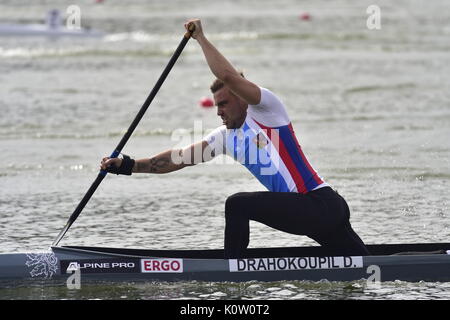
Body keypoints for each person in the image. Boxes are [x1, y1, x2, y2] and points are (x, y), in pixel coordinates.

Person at [101, 19, 370, 258]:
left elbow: (227, 76)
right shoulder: (225, 138)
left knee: (237, 204)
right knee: (368, 266)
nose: (218, 111)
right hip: (316, 213)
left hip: (318, 204)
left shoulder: (266, 110)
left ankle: (231, 271)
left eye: (224, 104)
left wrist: (200, 38)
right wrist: (128, 165)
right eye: (216, 106)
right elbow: (178, 159)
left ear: (241, 98)